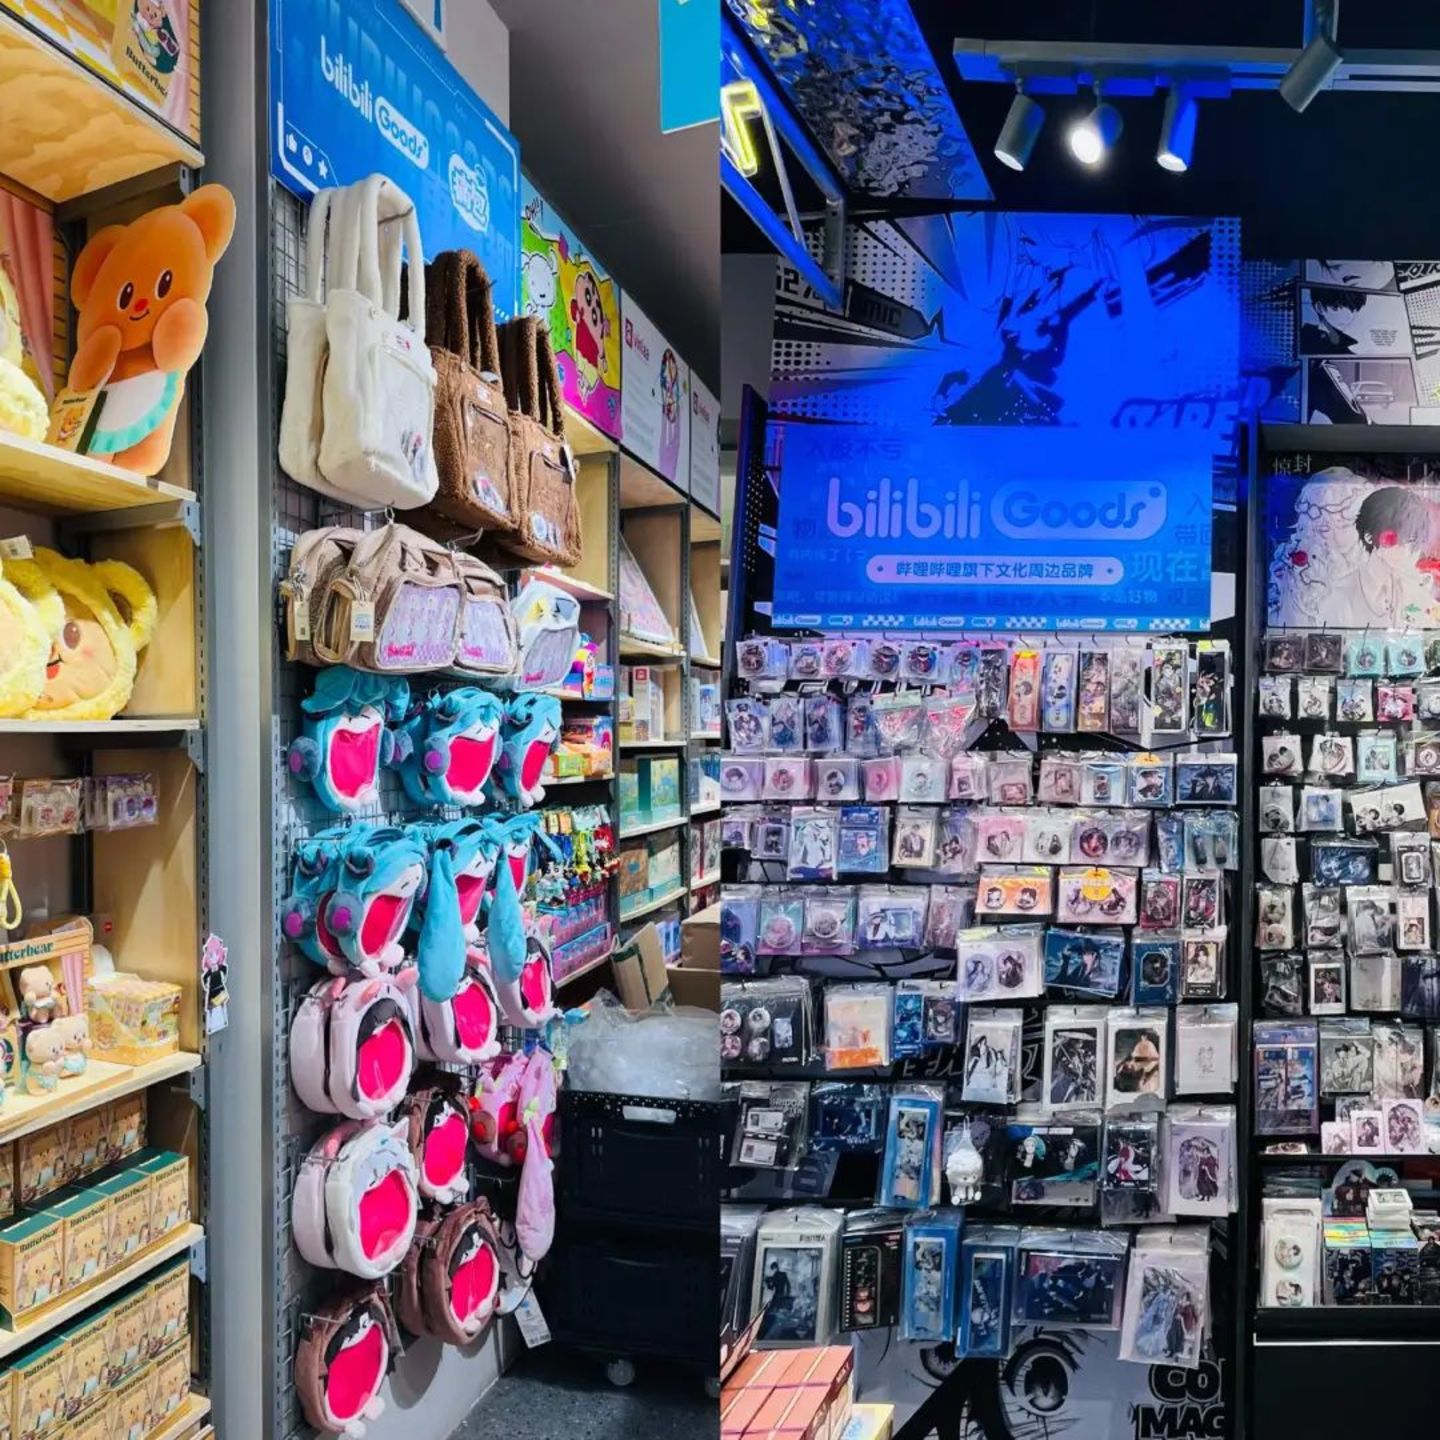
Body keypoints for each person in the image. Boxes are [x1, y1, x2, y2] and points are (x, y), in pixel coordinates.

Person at [1302, 285, 1367, 354]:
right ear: (1319, 307)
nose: (1348, 317)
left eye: (1353, 310)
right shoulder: (1303, 338)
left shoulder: (1348, 348)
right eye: (1336, 308)